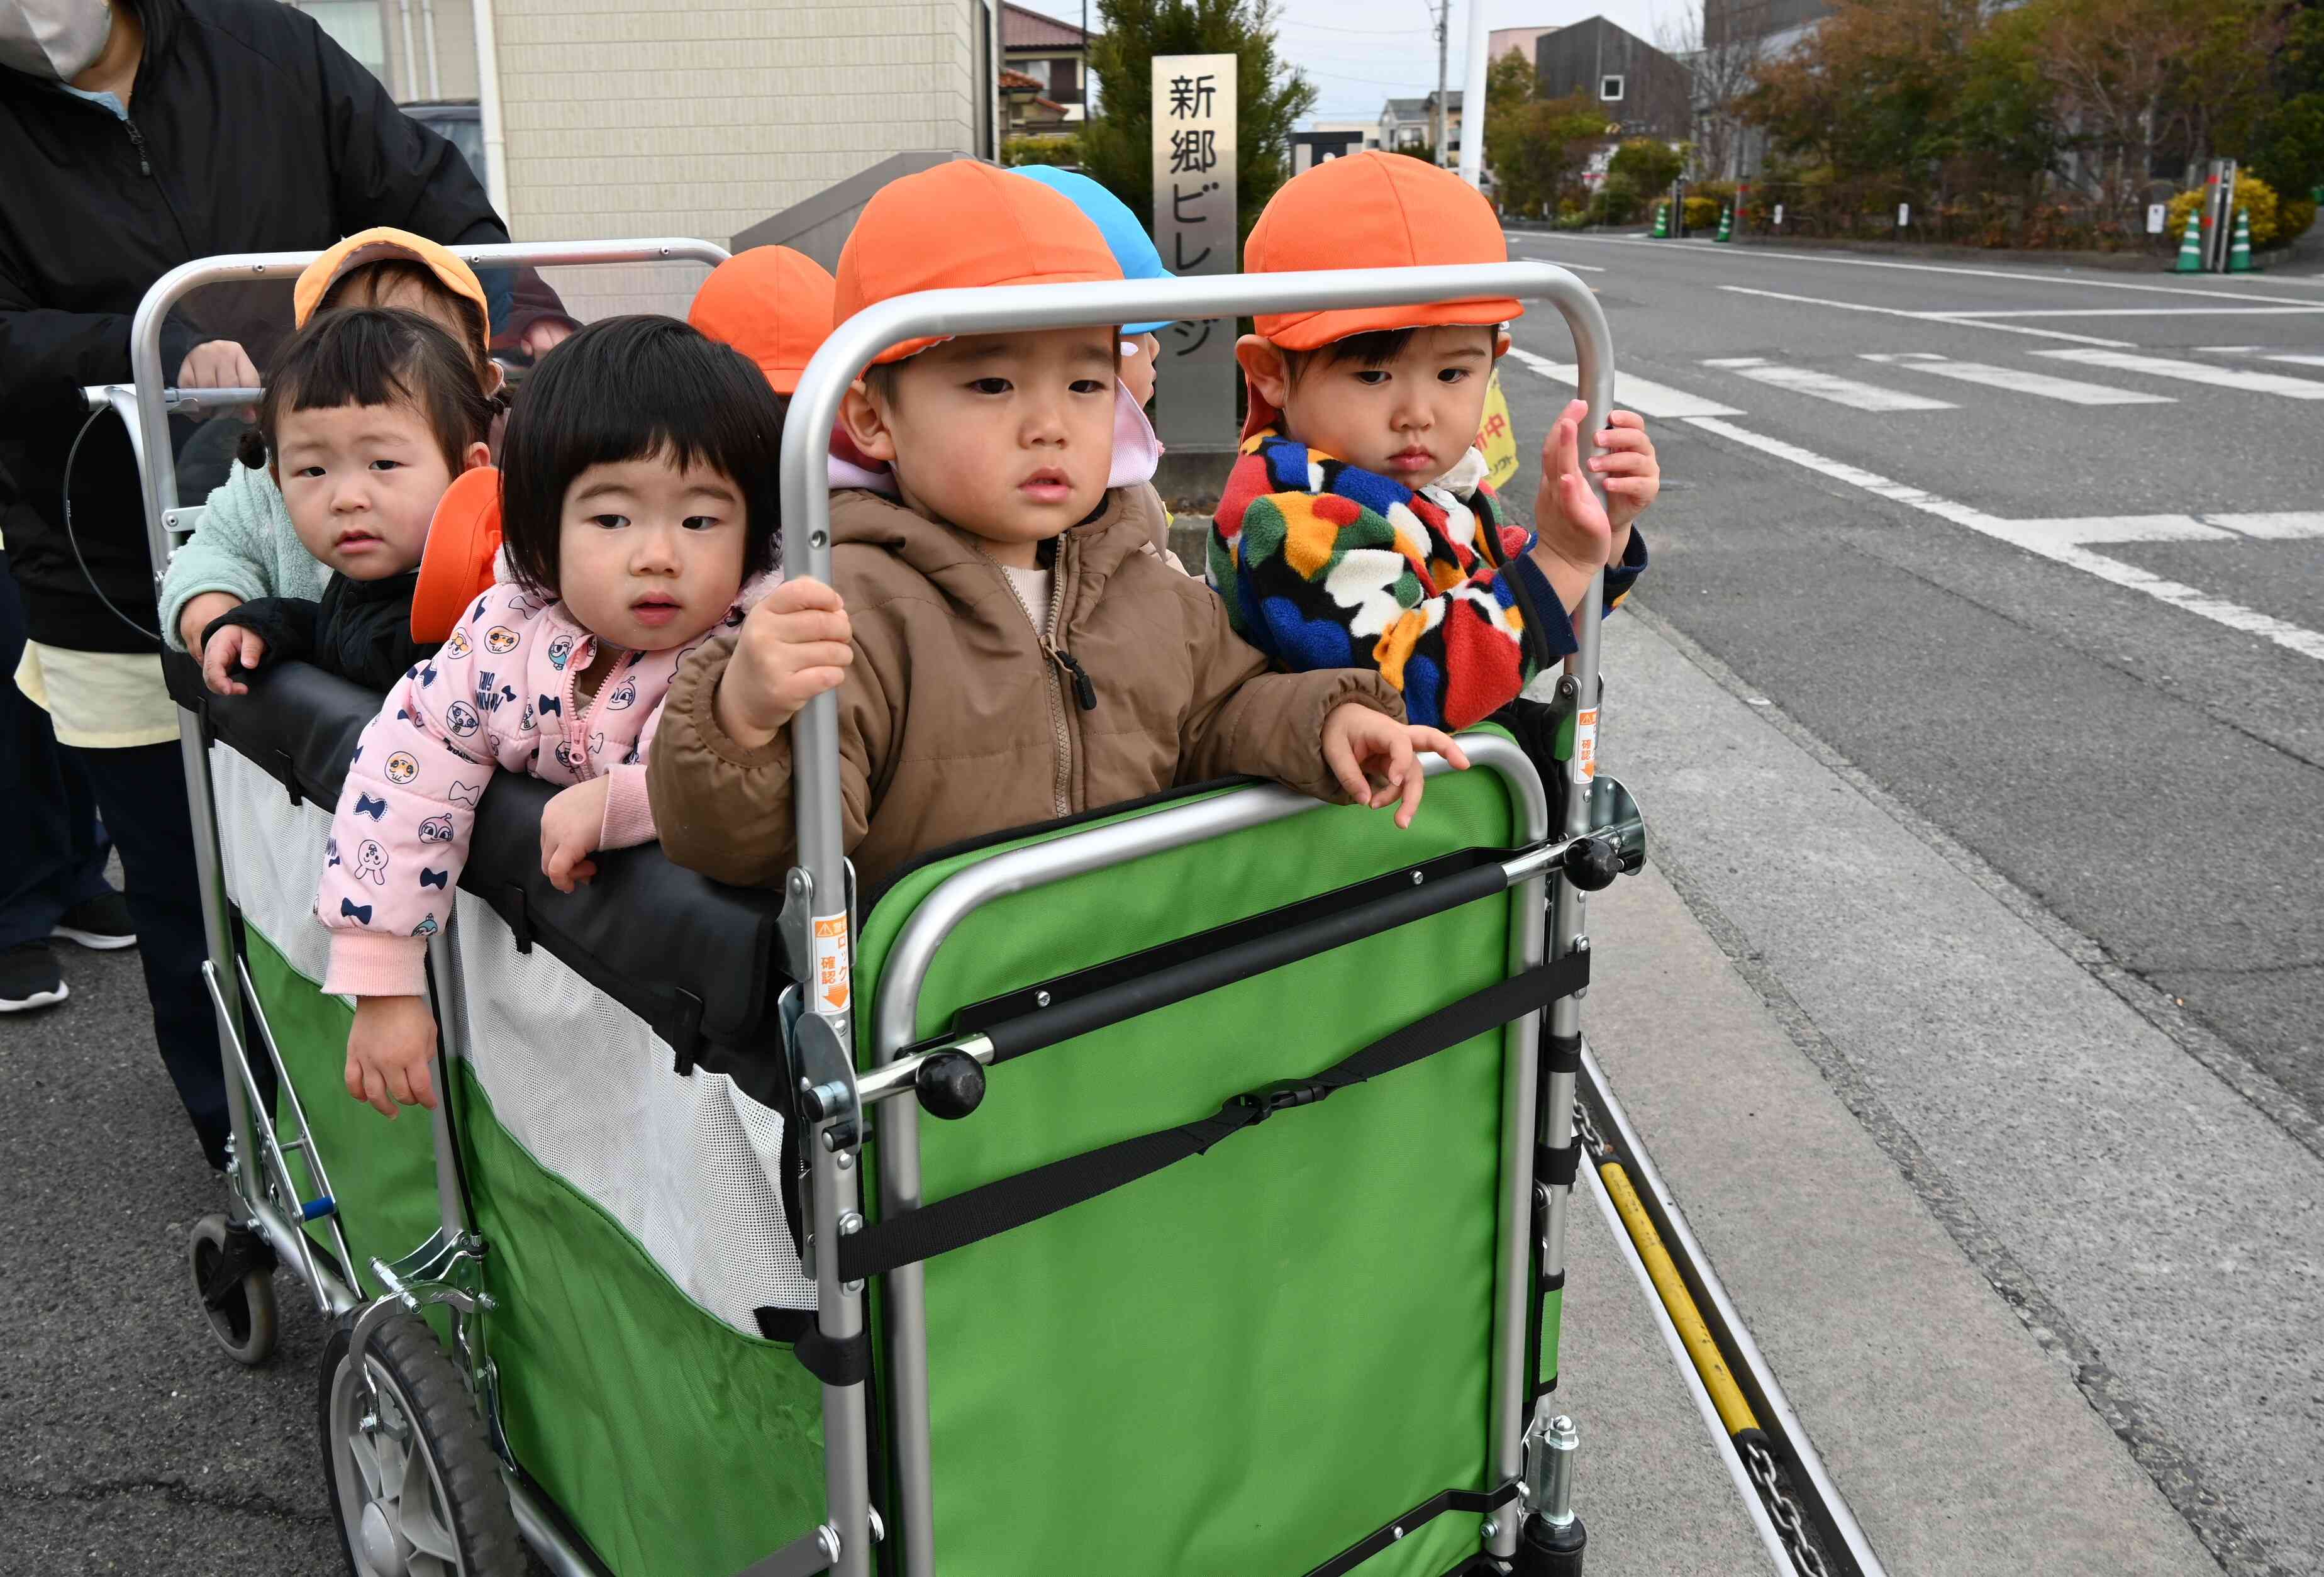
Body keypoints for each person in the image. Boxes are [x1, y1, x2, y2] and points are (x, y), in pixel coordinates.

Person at [645, 162, 1460, 899]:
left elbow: (1222, 710)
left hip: (1124, 986)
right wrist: (742, 718)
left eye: (1082, 381)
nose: (1049, 425)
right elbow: (754, 850)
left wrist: (1326, 719)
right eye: (993, 382)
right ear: (869, 413)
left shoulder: (1146, 583)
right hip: (948, 1026)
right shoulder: (844, 610)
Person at [1, 0, 506, 1167]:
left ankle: (424, 1153)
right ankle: (249, 1144)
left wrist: (477, 330)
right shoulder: (255, 501)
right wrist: (153, 350)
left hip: (383, 652)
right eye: (317, 466)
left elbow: (450, 223)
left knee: (433, 892)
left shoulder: (269, 49)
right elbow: (223, 539)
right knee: (197, 902)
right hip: (103, 566)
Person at [320, 316, 784, 1117]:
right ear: (540, 526)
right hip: (551, 1014)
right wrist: (383, 970)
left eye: (701, 520)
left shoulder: (754, 648)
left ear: (756, 533)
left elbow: (780, 777)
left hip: (707, 1050)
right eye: (611, 519)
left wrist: (630, 802)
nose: (657, 553)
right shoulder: (504, 632)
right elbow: (407, 767)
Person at [1206, 152, 1659, 734]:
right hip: (1349, 816)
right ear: (1270, 373)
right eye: (1372, 376)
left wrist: (1604, 532)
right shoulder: (1293, 517)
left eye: (1452, 375)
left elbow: (1538, 611)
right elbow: (1411, 689)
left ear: (1492, 363)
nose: (1416, 416)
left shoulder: (1434, 487)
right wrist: (1564, 559)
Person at [163, 230, 507, 689]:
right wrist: (215, 605)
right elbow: (216, 548)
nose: (346, 498)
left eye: (418, 339)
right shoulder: (272, 480)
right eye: (355, 335)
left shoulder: (515, 482)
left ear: (483, 377)